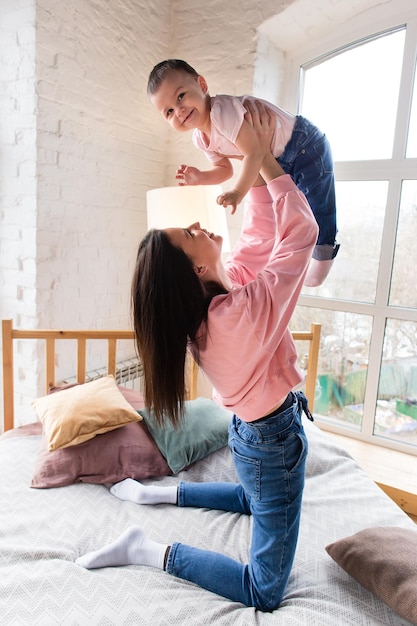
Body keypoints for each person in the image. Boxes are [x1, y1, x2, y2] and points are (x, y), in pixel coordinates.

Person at [75, 103, 319, 612]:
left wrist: (250, 168)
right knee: (264, 590)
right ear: (195, 269)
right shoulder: (237, 316)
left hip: (255, 437)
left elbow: (253, 247)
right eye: (189, 234)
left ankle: (160, 493)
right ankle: (149, 549)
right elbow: (302, 236)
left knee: (254, 502)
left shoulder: (217, 309)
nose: (197, 225)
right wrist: (268, 163)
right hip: (270, 442)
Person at [146, 58, 339, 288]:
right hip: (279, 157)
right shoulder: (201, 138)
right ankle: (300, 262)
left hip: (303, 143)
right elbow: (224, 169)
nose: (179, 111)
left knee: (318, 204)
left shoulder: (221, 112)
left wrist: (238, 192)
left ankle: (323, 260)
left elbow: (254, 153)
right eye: (168, 111)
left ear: (202, 85)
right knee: (289, 210)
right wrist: (201, 177)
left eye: (181, 96)